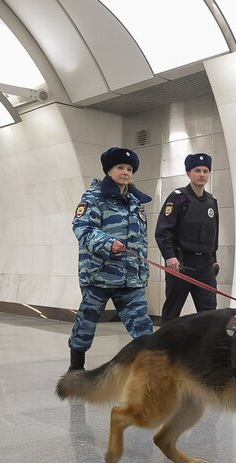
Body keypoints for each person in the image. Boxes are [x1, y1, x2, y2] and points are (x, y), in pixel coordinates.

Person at [67, 147, 154, 371]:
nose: (125, 172)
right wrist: (108, 244)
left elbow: (141, 240)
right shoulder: (94, 198)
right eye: (120, 168)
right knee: (86, 324)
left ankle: (148, 370)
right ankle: (76, 368)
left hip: (130, 279)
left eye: (129, 169)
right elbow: (82, 228)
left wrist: (142, 270)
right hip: (99, 276)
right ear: (108, 171)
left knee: (143, 329)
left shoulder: (136, 202)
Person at [155, 153, 220, 323]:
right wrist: (169, 256)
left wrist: (213, 259)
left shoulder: (211, 201)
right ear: (188, 173)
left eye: (206, 171)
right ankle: (163, 347)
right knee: (172, 311)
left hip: (205, 266)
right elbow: (163, 231)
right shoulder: (178, 198)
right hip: (181, 264)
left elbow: (214, 235)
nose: (202, 175)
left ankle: (205, 349)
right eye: (197, 170)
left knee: (209, 313)